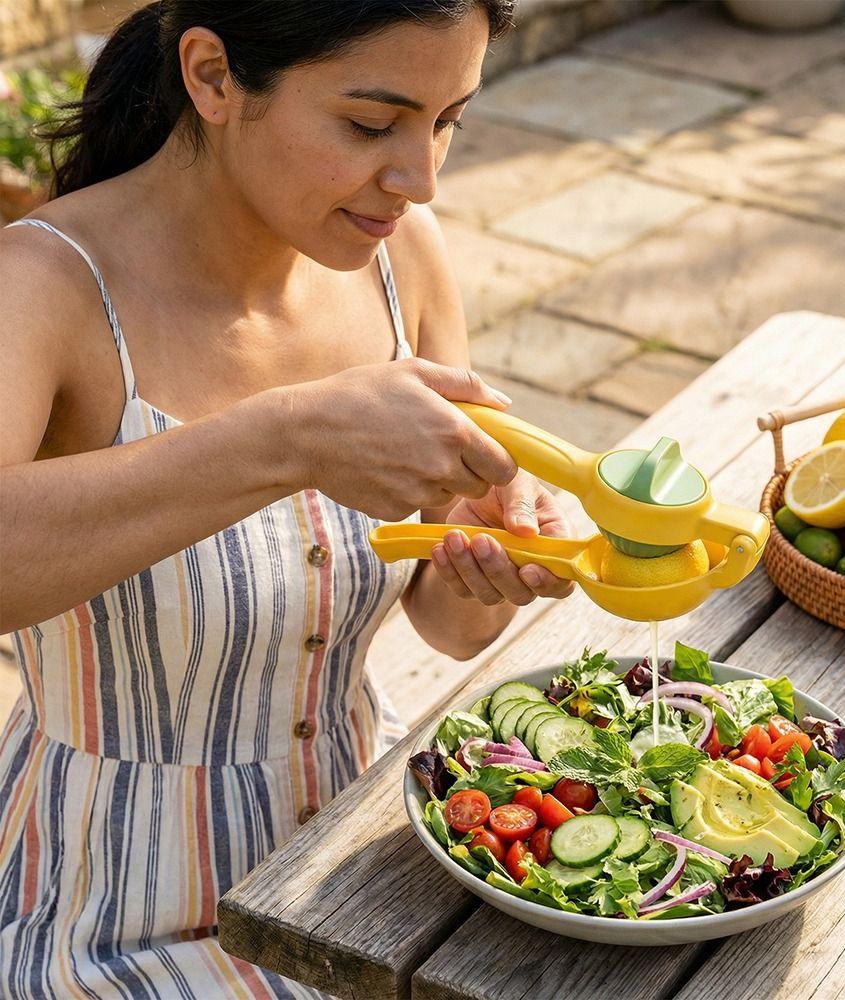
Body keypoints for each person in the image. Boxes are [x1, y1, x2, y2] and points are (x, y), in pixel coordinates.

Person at [0, 1, 575, 995]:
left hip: (358, 863)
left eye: (447, 120)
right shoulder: (43, 285)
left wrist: (485, 559)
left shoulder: (403, 257)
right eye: (370, 123)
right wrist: (287, 437)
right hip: (113, 907)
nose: (420, 177)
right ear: (213, 75)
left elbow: (450, 625)